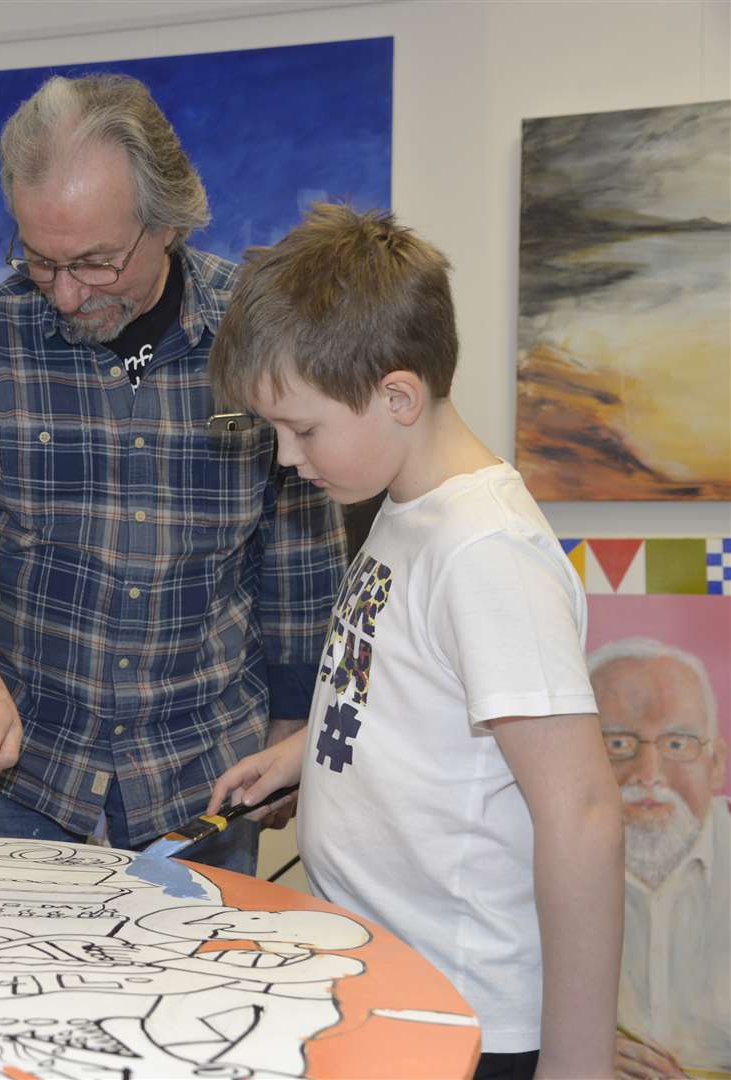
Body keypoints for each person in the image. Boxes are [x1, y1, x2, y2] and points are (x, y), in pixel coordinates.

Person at [0, 74, 344, 865]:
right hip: (19, 772)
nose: (63, 294)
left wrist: (295, 725)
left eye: (93, 262)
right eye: (39, 260)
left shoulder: (254, 332)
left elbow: (298, 549)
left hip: (203, 772)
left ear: (167, 224)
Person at [203, 203, 623, 1079]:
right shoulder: (404, 509)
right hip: (387, 979)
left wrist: (577, 1065)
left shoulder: (486, 552)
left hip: (468, 1016)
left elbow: (581, 815)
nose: (286, 459)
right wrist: (301, 760)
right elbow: (398, 692)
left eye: (303, 428)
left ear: (397, 396)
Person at [590, 638, 729, 1079]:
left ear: (717, 762)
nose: (648, 774)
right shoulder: (521, 865)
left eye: (677, 743)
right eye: (617, 745)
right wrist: (568, 1051)